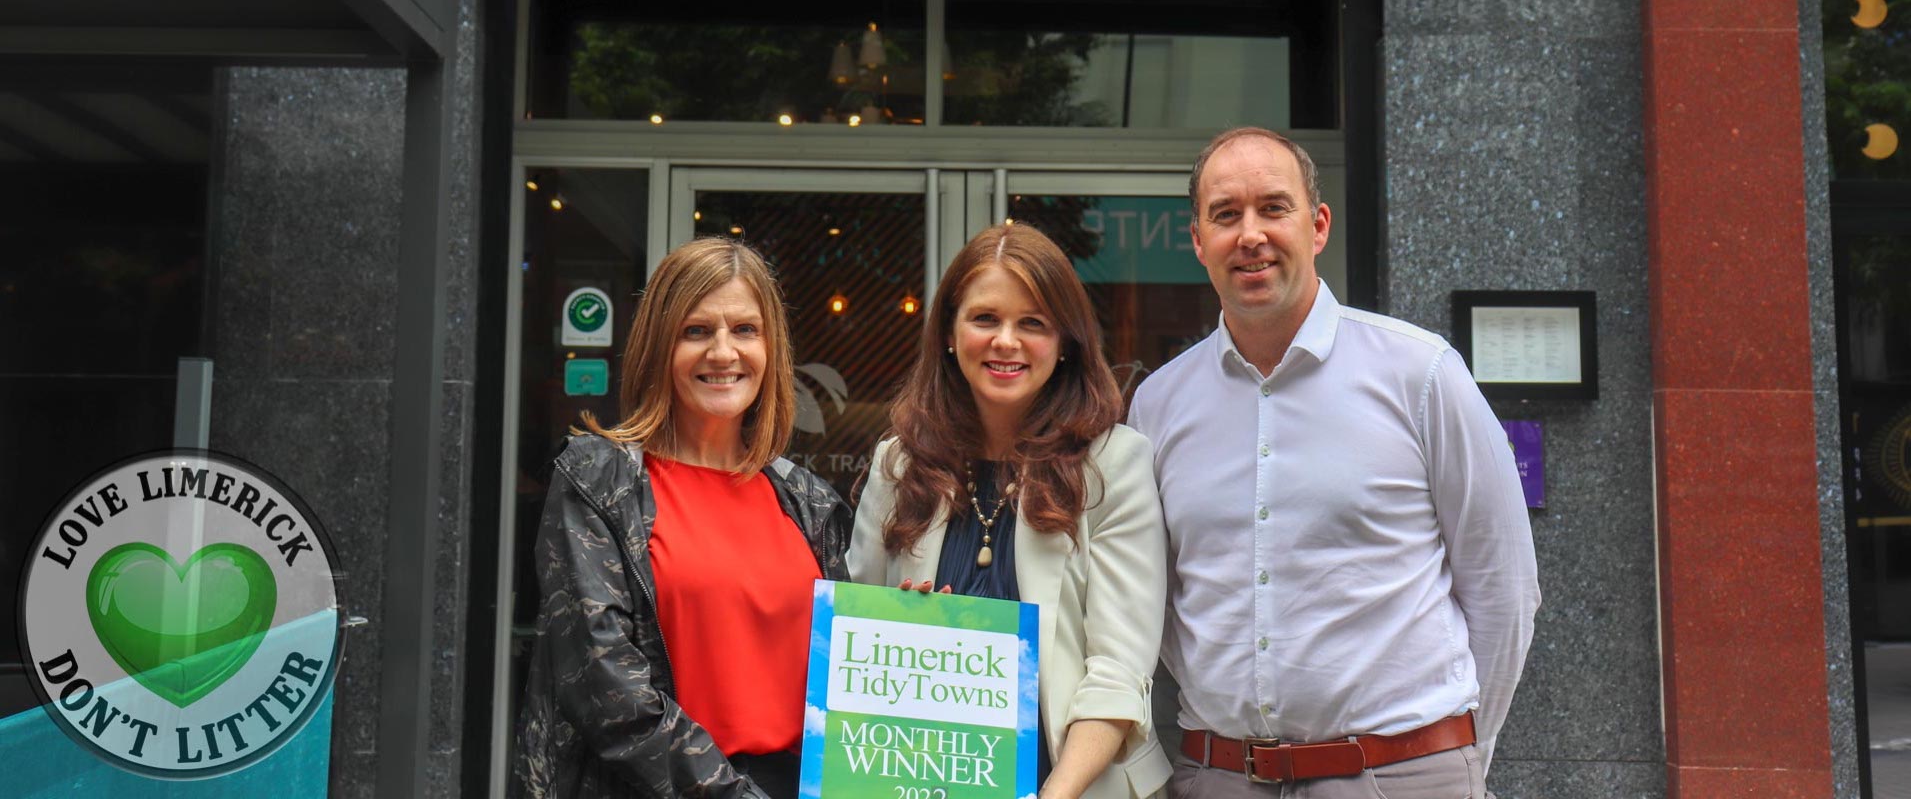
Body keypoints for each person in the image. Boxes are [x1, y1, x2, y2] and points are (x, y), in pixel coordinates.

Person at [1129, 127, 1540, 799]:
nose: (1250, 234)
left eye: (1273, 208)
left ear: (1317, 226)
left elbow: (1503, 588)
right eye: (1225, 214)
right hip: (1221, 779)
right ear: (1198, 240)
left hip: (1402, 775)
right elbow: (1159, 604)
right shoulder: (1158, 404)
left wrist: (1456, 757)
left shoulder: (1420, 373)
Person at [515, 237, 850, 799]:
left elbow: (843, 678)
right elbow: (606, 687)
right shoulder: (597, 480)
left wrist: (910, 627)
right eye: (697, 331)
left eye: (745, 330)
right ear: (658, 346)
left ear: (771, 350)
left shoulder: (809, 502)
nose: (724, 353)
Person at [849, 223, 1172, 799]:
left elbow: (1119, 672)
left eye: (1033, 324)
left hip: (1076, 787)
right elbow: (854, 642)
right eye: (984, 319)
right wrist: (905, 629)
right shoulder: (897, 464)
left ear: (1066, 341)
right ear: (950, 333)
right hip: (925, 781)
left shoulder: (1115, 465)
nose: (1006, 341)